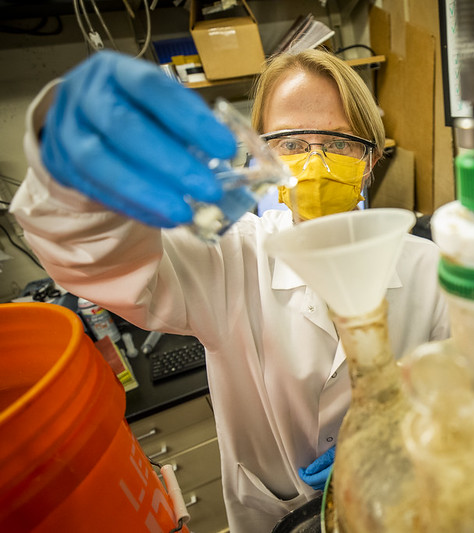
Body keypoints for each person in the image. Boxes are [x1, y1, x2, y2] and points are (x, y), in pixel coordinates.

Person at [10, 49, 449, 532]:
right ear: (261, 155)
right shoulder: (227, 256)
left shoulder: (431, 270)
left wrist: (402, 440)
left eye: (339, 142)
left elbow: (463, 400)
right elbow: (89, 255)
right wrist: (73, 163)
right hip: (274, 514)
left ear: (371, 159)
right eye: (291, 142)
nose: (316, 161)